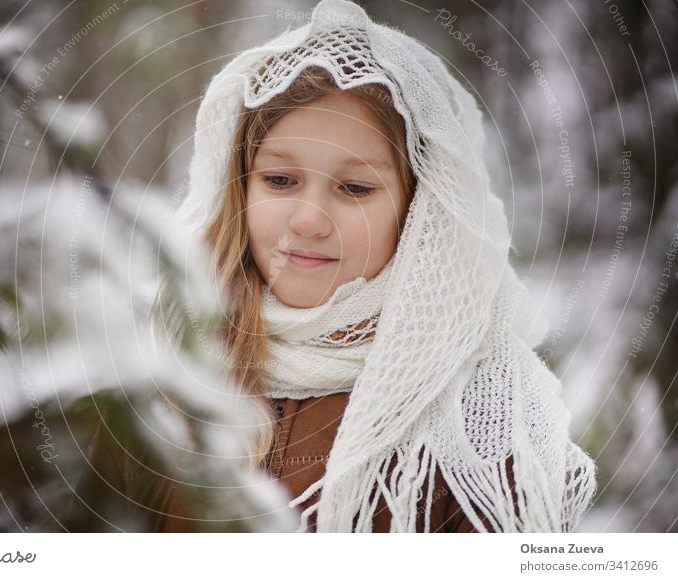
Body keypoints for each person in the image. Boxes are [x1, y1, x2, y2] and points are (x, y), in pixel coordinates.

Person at [83, 0, 596, 533]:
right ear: (239, 186)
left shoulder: (483, 417)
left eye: (354, 188)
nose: (308, 220)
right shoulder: (168, 365)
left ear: (418, 210)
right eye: (280, 180)